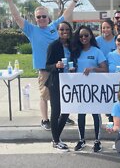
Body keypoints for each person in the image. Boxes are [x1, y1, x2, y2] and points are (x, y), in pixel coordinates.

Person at [4, 0, 81, 131]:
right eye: (38, 17)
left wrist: (75, 0)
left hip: (61, 68)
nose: (41, 19)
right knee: (45, 95)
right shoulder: (31, 30)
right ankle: (45, 119)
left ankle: (62, 115)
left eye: (43, 16)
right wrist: (10, 1)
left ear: (49, 17)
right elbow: (17, 17)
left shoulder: (55, 27)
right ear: (35, 19)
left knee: (62, 93)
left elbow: (66, 14)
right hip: (45, 69)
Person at [70, 25, 108, 152]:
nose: (83, 38)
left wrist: (93, 69)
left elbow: (105, 69)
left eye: (86, 35)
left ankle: (97, 141)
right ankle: (81, 140)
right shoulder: (75, 51)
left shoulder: (96, 51)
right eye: (81, 36)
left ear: (91, 36)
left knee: (95, 114)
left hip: (94, 88)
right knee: (81, 114)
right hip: (80, 88)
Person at [45, 21, 77, 151]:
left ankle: (56, 138)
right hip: (56, 82)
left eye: (67, 29)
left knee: (66, 111)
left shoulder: (72, 45)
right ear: (58, 31)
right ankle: (56, 139)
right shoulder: (53, 46)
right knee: (56, 111)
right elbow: (47, 66)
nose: (65, 32)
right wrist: (56, 66)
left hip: (69, 81)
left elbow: (74, 60)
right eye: (62, 29)